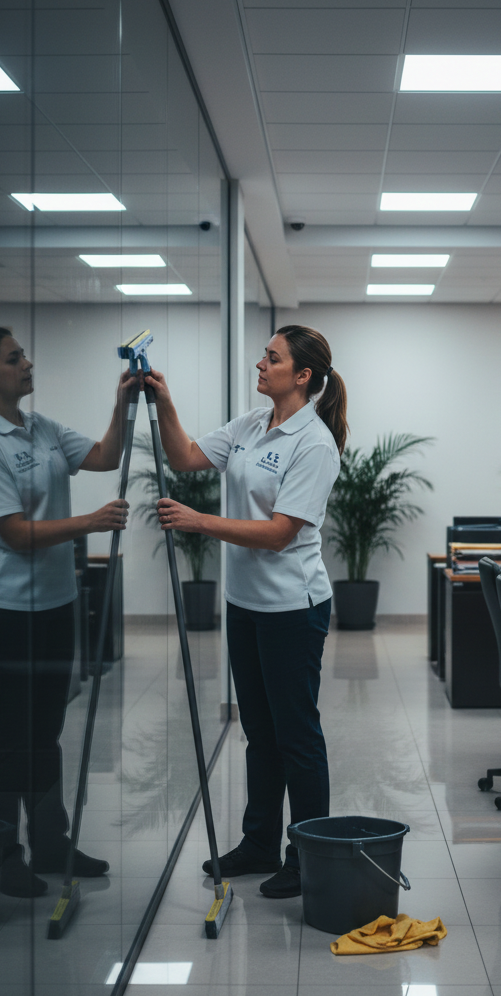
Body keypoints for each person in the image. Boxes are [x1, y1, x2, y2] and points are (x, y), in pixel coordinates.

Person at [144, 324, 347, 898]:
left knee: (296, 737)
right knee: (259, 732)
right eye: (264, 355)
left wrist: (198, 522)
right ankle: (258, 844)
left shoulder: (314, 443)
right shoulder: (253, 424)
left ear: (301, 375)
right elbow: (184, 457)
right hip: (247, 603)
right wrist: (163, 399)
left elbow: (282, 534)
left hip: (292, 607)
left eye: (272, 357)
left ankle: (307, 857)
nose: (261, 364)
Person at [0, 326, 140, 898]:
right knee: (10, 737)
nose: (27, 364)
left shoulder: (42, 427)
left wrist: (123, 403)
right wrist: (91, 523)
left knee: (46, 732)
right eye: (14, 359)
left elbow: (105, 457)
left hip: (56, 604)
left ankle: (52, 844)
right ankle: (2, 854)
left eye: (24, 354)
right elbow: (16, 535)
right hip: (9, 611)